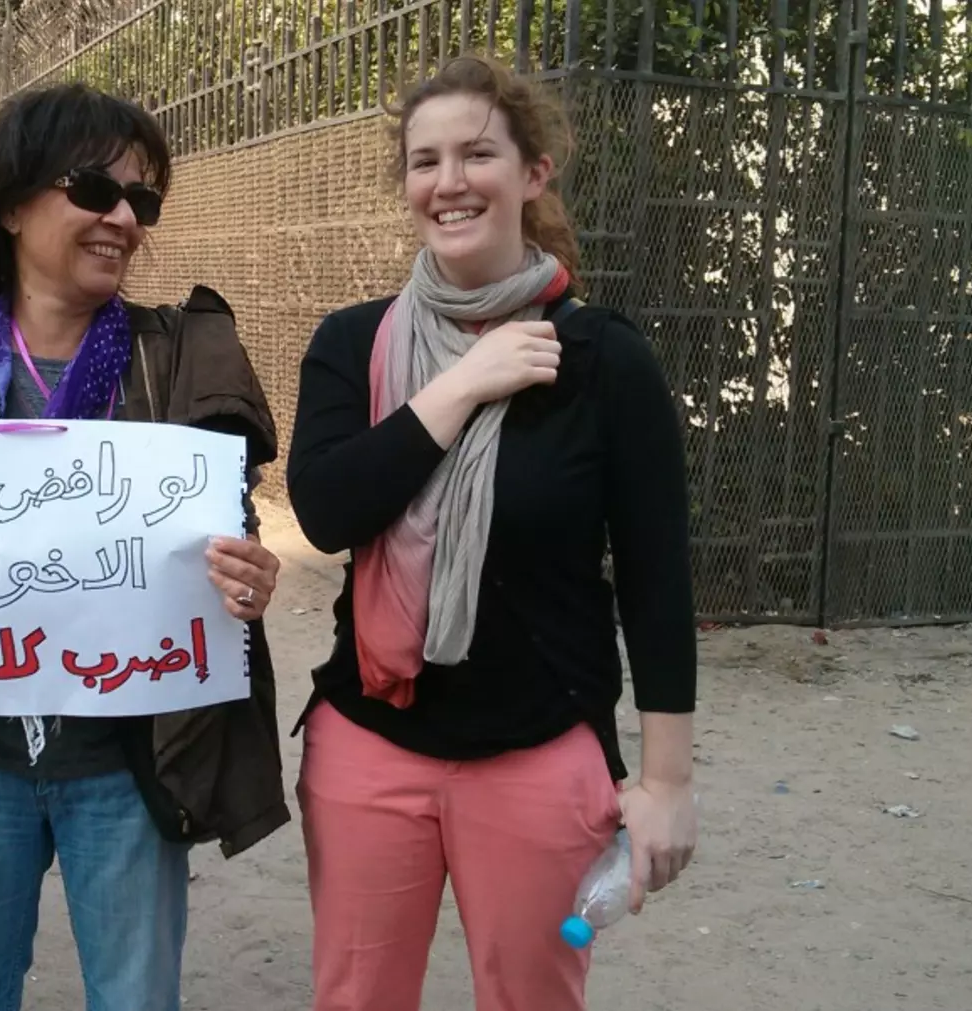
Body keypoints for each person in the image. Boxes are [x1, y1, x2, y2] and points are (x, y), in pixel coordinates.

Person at [0, 82, 290, 1011]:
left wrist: (248, 580)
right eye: (95, 189)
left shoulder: (180, 369)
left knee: (136, 998)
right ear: (11, 201)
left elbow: (229, 553)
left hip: (125, 767)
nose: (124, 218)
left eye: (142, 201)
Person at [284, 55, 700, 1011]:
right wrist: (464, 383)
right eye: (425, 161)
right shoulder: (354, 344)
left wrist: (668, 782)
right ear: (406, 187)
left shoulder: (602, 360)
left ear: (534, 173)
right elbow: (328, 508)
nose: (450, 181)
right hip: (371, 744)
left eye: (478, 153)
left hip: (539, 749)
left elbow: (655, 583)